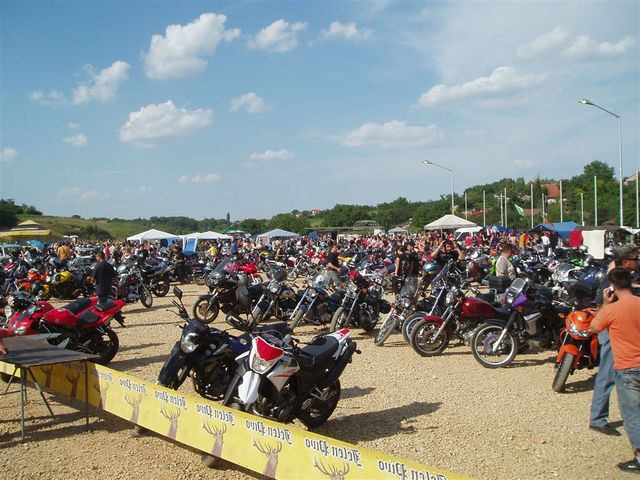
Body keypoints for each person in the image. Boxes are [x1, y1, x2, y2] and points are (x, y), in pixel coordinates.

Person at [590, 267, 640, 472]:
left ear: (612, 287)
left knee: (633, 414)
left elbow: (594, 327)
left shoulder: (612, 310)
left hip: (627, 367)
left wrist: (605, 304)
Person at [92, 251, 125, 326]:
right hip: (108, 288)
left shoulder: (97, 266)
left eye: (97, 257)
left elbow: (93, 279)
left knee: (101, 307)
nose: (96, 258)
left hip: (100, 288)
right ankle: (111, 320)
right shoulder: (109, 266)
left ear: (99, 257)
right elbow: (115, 278)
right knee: (107, 304)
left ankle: (105, 322)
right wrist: (118, 287)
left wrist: (92, 282)